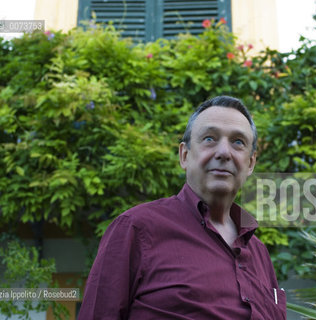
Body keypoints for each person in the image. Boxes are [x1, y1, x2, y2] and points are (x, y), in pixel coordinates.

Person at [78, 96, 286, 319]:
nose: (224, 152)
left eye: (238, 142)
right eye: (209, 138)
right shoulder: (136, 228)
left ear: (251, 163)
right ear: (184, 155)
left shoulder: (259, 252)